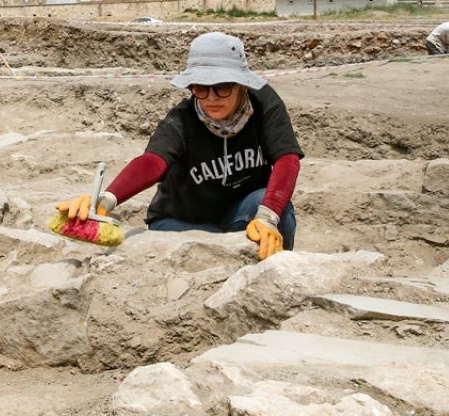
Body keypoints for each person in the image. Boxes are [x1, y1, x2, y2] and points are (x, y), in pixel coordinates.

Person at [56, 32, 303, 261]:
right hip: (181, 220)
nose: (211, 98)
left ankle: (277, 271)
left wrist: (267, 216)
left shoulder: (263, 104)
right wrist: (106, 200)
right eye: (201, 89)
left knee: (276, 211)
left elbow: (286, 158)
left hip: (237, 210)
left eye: (223, 87)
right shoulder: (181, 120)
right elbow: (152, 162)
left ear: (243, 85)